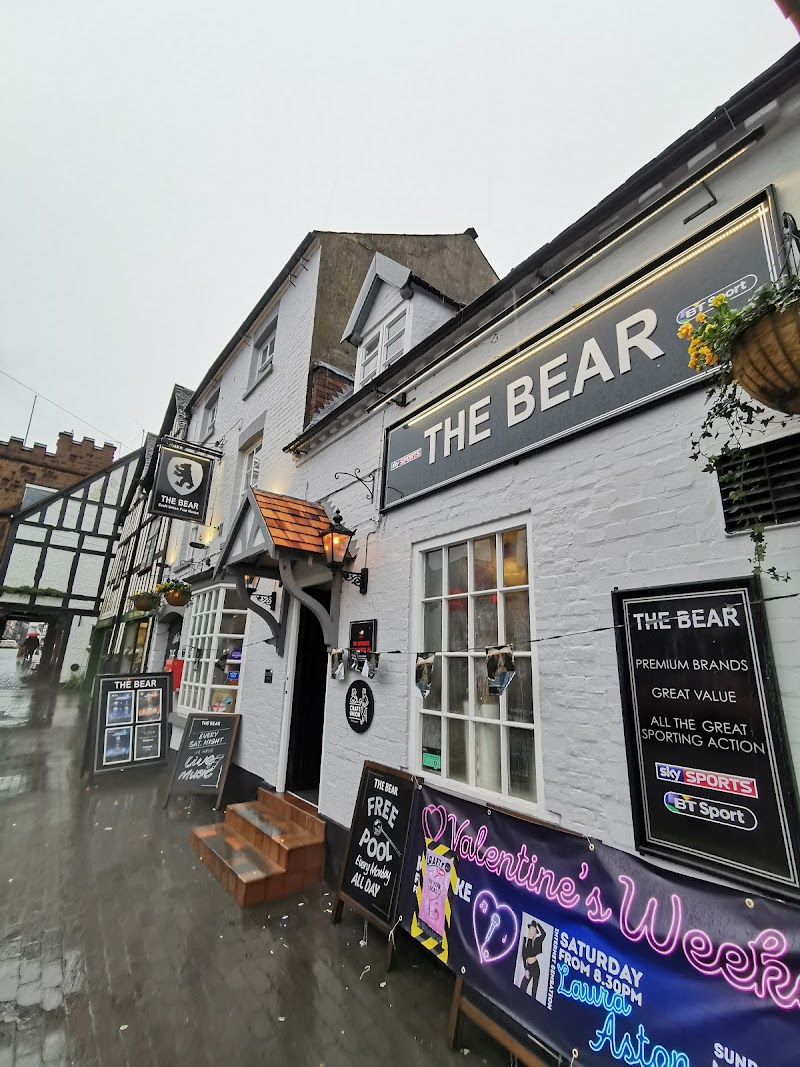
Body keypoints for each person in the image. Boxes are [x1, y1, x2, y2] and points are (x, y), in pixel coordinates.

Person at [518, 919, 546, 997]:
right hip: (529, 967)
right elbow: (524, 957)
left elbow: (544, 934)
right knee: (522, 987)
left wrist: (538, 925)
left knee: (534, 990)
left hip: (536, 967)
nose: (533, 931)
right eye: (532, 929)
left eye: (534, 930)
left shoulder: (537, 941)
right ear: (529, 929)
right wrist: (526, 969)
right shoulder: (525, 941)